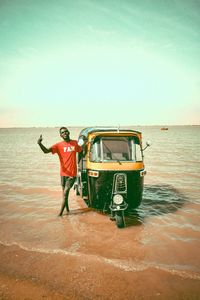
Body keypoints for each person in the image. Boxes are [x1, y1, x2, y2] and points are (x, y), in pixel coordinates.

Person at [37, 127, 83, 216]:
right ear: (60, 135)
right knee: (64, 194)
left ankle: (60, 215)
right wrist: (39, 143)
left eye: (66, 131)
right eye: (62, 132)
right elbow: (46, 151)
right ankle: (68, 210)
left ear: (69, 132)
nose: (64, 133)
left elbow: (81, 151)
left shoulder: (75, 143)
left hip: (72, 174)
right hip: (63, 173)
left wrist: (79, 161)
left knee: (65, 193)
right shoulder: (58, 145)